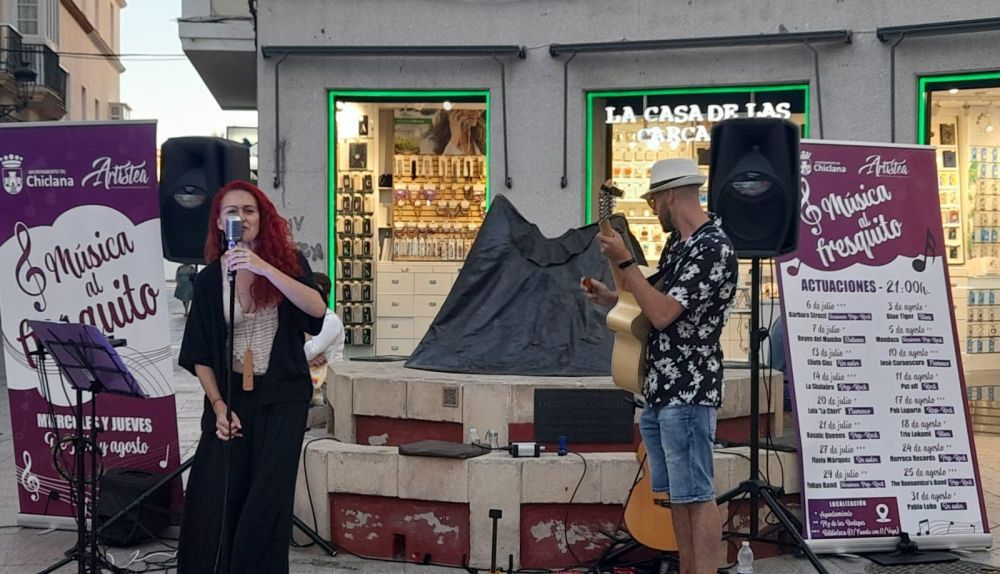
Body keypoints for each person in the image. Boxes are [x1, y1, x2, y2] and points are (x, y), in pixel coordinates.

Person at [582, 158, 738, 574]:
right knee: (678, 496)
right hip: (661, 386)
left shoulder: (712, 247)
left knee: (697, 494)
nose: (652, 208)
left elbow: (666, 312)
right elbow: (648, 306)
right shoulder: (680, 245)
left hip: (689, 386)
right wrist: (614, 295)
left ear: (669, 194)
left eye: (653, 199)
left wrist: (628, 263)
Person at [177, 180, 326, 573]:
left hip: (282, 397)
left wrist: (263, 267)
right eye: (231, 211)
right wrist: (218, 404)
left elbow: (316, 311)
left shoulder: (288, 263)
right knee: (216, 495)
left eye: (248, 210)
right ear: (219, 221)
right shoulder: (211, 279)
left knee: (266, 501)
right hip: (231, 397)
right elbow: (199, 352)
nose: (240, 218)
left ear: (262, 218)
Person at [304, 272, 344, 406]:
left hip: (323, 384)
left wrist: (303, 329)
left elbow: (310, 351)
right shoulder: (306, 316)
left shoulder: (330, 320)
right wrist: (308, 362)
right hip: (308, 376)